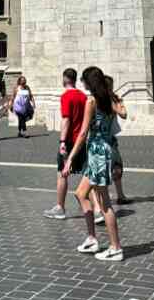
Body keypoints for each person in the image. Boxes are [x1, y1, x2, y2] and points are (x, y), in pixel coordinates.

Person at [64, 66, 125, 261]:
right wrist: (116, 100)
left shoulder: (91, 101)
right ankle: (92, 238)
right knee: (81, 193)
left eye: (84, 80)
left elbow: (83, 133)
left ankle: (116, 247)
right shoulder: (109, 99)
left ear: (89, 82)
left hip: (98, 152)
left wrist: (70, 158)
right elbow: (124, 114)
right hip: (102, 150)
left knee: (105, 203)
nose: (82, 83)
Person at [44, 68, 87, 219]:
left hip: (69, 141)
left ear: (64, 79)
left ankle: (60, 207)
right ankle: (96, 210)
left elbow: (66, 119)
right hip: (81, 141)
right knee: (88, 175)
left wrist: (62, 141)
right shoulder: (83, 96)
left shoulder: (66, 96)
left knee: (62, 174)